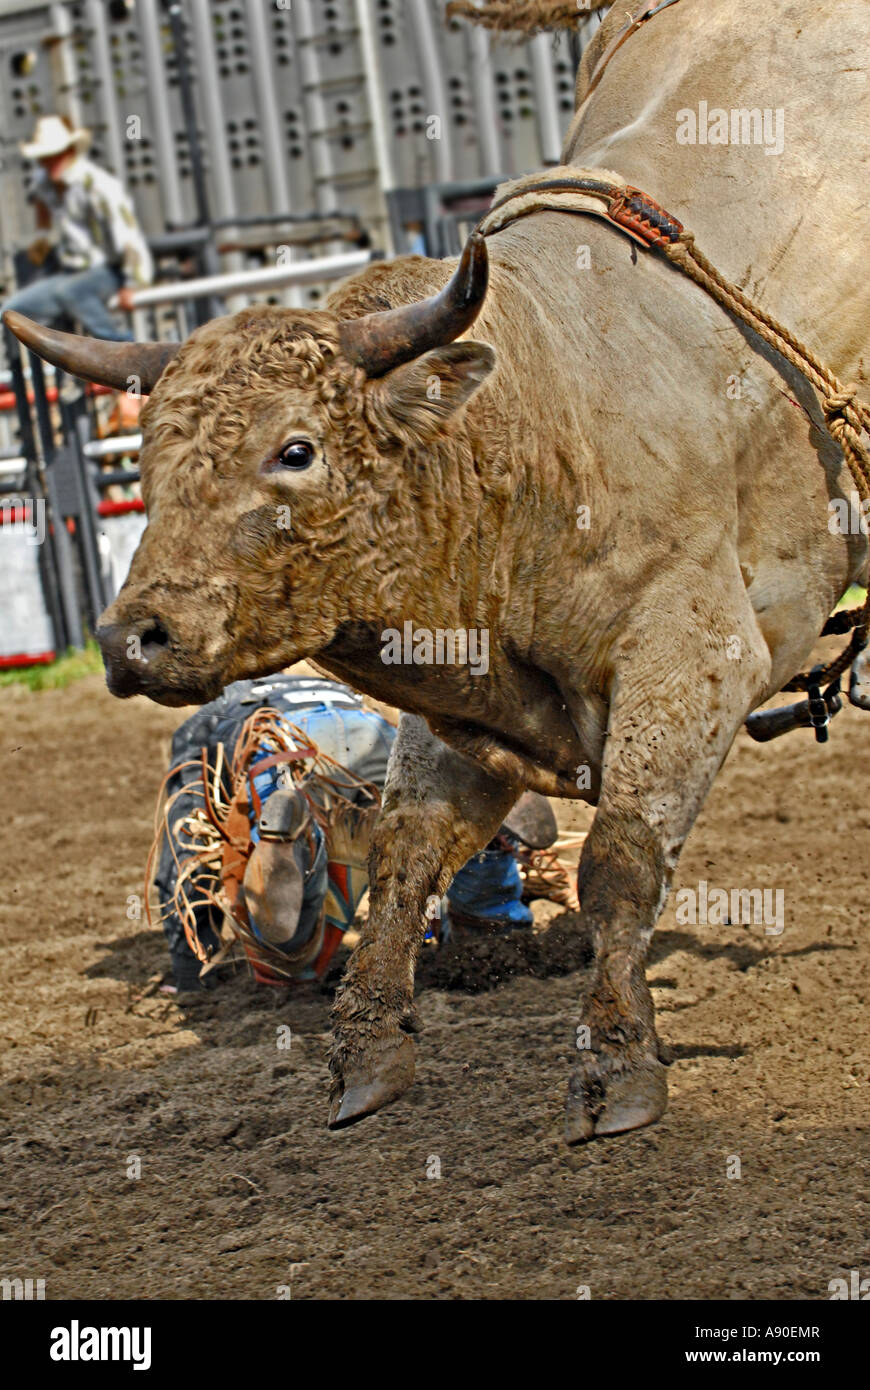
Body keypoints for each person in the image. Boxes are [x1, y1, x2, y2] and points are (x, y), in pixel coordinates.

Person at [149, 675, 577, 992]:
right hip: (368, 729)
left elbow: (183, 850)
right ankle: (492, 912)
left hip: (284, 744)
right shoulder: (319, 680)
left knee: (290, 956)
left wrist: (190, 971)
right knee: (437, 818)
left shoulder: (208, 718)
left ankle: (296, 837)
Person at [2, 115, 152, 342]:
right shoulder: (44, 182)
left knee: (71, 293)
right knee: (12, 309)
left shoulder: (97, 184)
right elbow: (40, 201)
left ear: (70, 151)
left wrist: (134, 282)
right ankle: (72, 358)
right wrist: (42, 235)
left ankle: (118, 349)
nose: (49, 162)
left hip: (108, 269)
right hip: (71, 273)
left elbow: (126, 233)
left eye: (55, 155)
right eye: (45, 157)